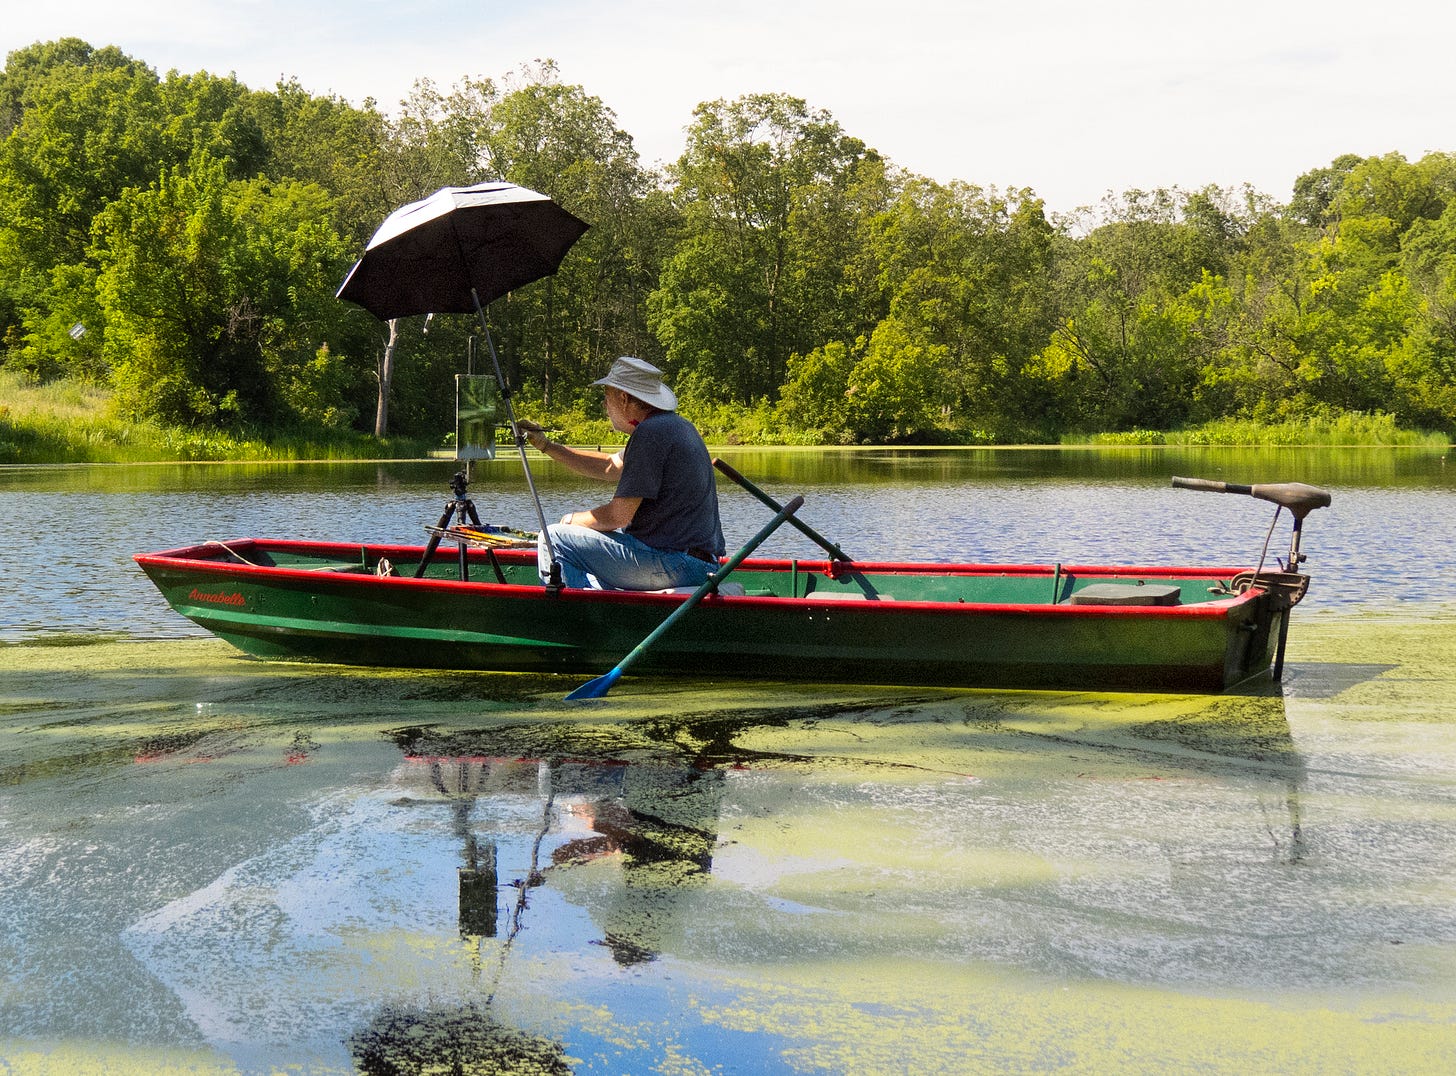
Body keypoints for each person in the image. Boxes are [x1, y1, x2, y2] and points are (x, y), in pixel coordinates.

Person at [516, 357, 725, 590]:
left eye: (607, 396)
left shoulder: (651, 434)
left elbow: (618, 517)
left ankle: (570, 621)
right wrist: (547, 446)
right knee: (592, 581)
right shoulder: (673, 426)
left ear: (623, 398)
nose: (605, 406)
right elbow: (610, 465)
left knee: (553, 538)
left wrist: (571, 521)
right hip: (696, 564)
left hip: (675, 564)